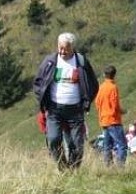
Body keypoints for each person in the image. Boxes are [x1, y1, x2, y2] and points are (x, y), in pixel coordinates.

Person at [32, 32, 99, 171]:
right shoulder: (50, 61)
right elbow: (38, 82)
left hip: (75, 110)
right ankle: (63, 168)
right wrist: (43, 101)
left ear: (72, 48)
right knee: (53, 139)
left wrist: (86, 102)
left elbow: (93, 84)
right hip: (54, 109)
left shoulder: (81, 62)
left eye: (66, 49)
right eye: (60, 48)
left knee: (77, 144)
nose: (62, 51)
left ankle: (73, 170)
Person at [93, 65, 127, 166]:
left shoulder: (101, 87)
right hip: (113, 120)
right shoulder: (113, 87)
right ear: (114, 75)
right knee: (122, 145)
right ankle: (120, 167)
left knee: (107, 146)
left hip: (104, 120)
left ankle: (108, 166)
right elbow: (115, 105)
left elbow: (97, 103)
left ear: (104, 75)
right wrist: (122, 111)